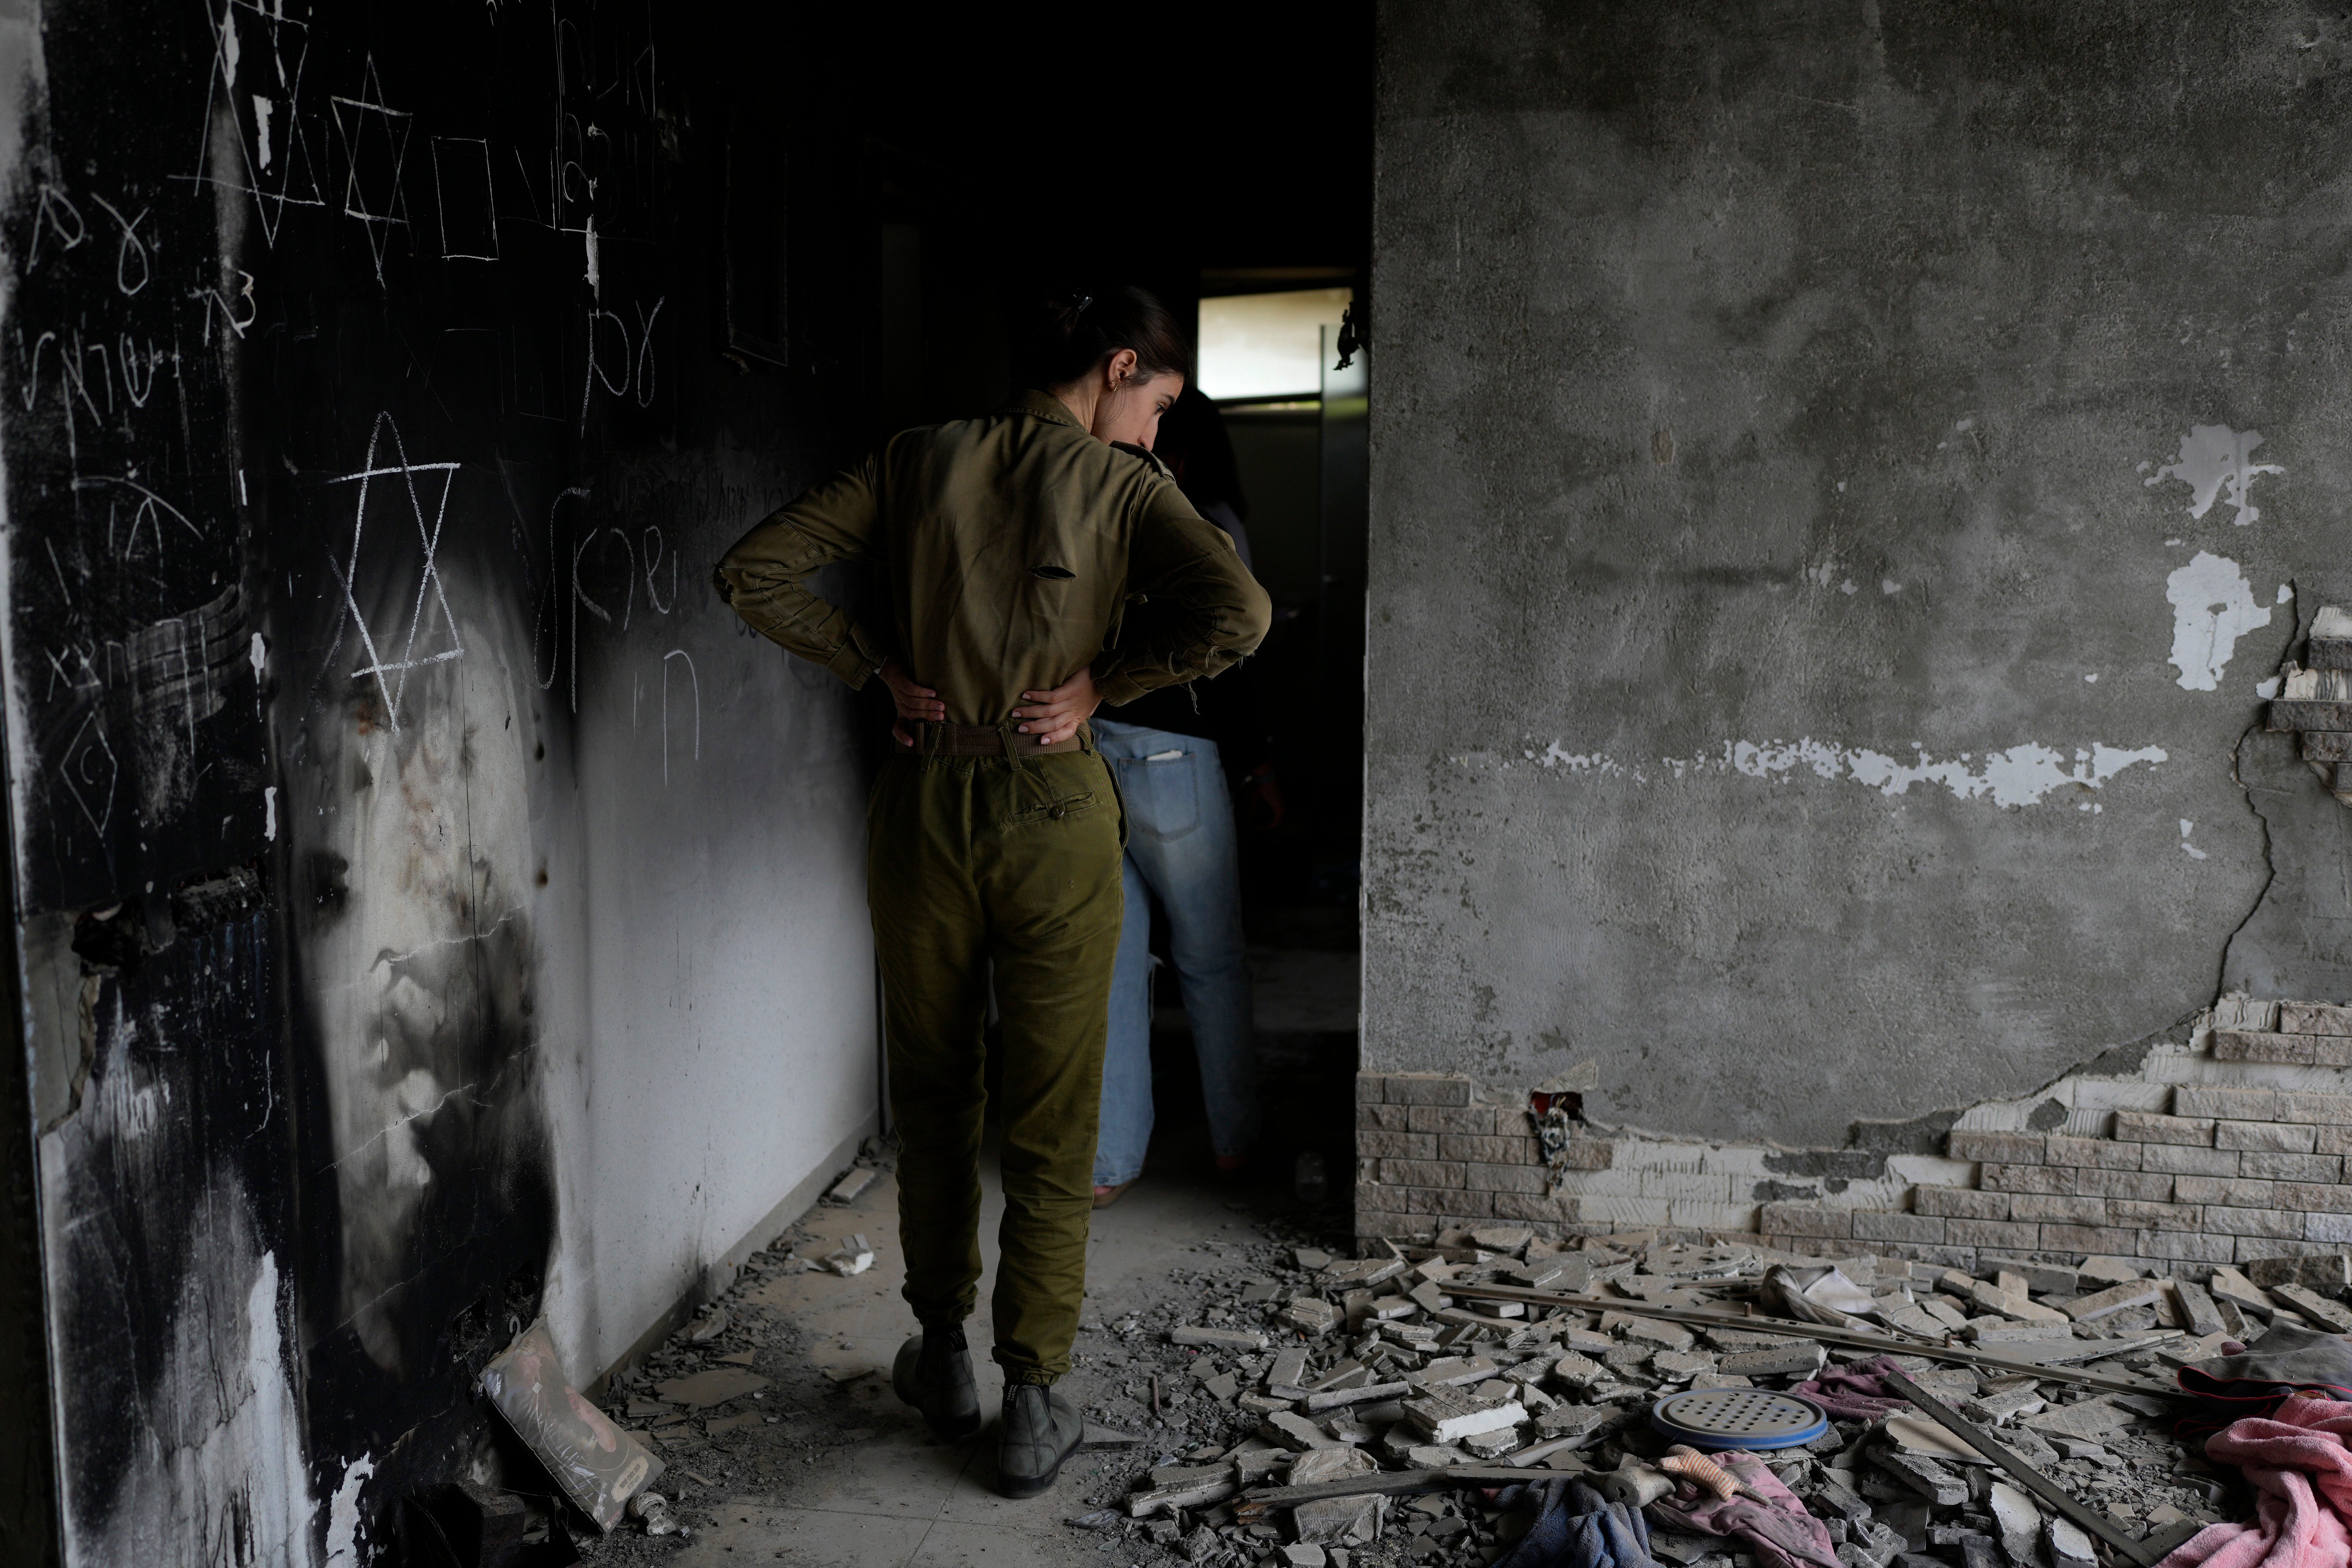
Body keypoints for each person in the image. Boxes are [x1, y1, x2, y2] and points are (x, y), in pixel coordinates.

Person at [712, 287, 1270, 1498]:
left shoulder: (918, 460)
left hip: (924, 804)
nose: (1155, 437)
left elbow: (755, 571)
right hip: (1056, 810)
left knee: (935, 1089)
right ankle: (1032, 1400)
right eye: (1156, 406)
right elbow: (1241, 611)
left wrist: (875, 667)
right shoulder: (1123, 491)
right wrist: (1106, 683)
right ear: (1120, 367)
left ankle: (943, 1356)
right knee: (1055, 1112)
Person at [1089, 388, 1278, 1207]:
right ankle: (1237, 1146)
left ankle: (1108, 1162)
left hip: (1091, 744)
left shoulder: (1097, 509)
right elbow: (1236, 658)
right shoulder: (1207, 520)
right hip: (1177, 756)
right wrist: (1257, 766)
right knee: (1211, 963)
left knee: (1116, 967)